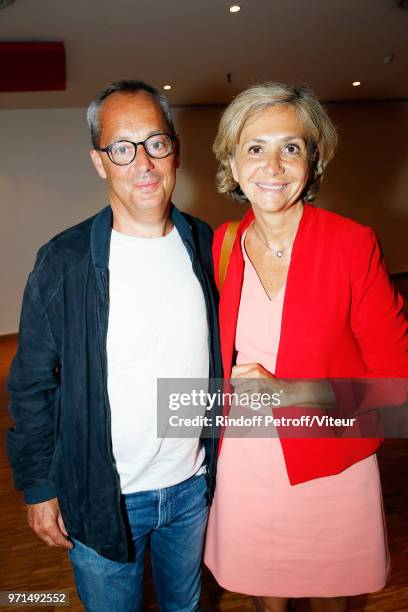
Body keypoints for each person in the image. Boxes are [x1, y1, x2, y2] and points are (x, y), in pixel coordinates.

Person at [7, 79, 222, 612]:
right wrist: (37, 487)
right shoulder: (64, 261)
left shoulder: (207, 245)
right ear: (100, 162)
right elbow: (32, 385)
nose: (143, 163)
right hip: (102, 496)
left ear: (175, 149)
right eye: (122, 149)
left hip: (192, 488)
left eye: (156, 142)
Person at [204, 82, 408, 612]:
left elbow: (396, 380)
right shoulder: (222, 244)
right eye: (255, 148)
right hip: (246, 458)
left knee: (330, 596)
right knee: (264, 594)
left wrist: (292, 393)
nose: (273, 164)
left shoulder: (351, 243)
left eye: (291, 147)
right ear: (232, 160)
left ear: (311, 160)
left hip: (331, 460)